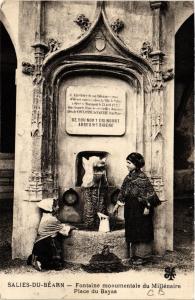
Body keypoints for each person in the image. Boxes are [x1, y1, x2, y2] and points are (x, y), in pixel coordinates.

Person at [113, 152, 161, 265]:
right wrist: (117, 205)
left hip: (141, 208)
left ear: (136, 164)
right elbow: (123, 192)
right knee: (132, 229)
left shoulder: (142, 178)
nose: (127, 165)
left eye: (129, 163)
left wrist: (148, 207)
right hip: (130, 208)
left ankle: (142, 256)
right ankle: (134, 255)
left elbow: (148, 194)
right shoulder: (128, 177)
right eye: (127, 162)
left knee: (141, 230)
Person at [27, 198, 75, 271]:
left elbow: (57, 226)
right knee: (55, 262)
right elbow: (63, 230)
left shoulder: (46, 216)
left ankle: (36, 259)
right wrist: (71, 227)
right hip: (45, 243)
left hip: (39, 244)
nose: (58, 207)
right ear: (50, 208)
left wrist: (62, 225)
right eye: (55, 206)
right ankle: (40, 262)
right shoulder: (52, 219)